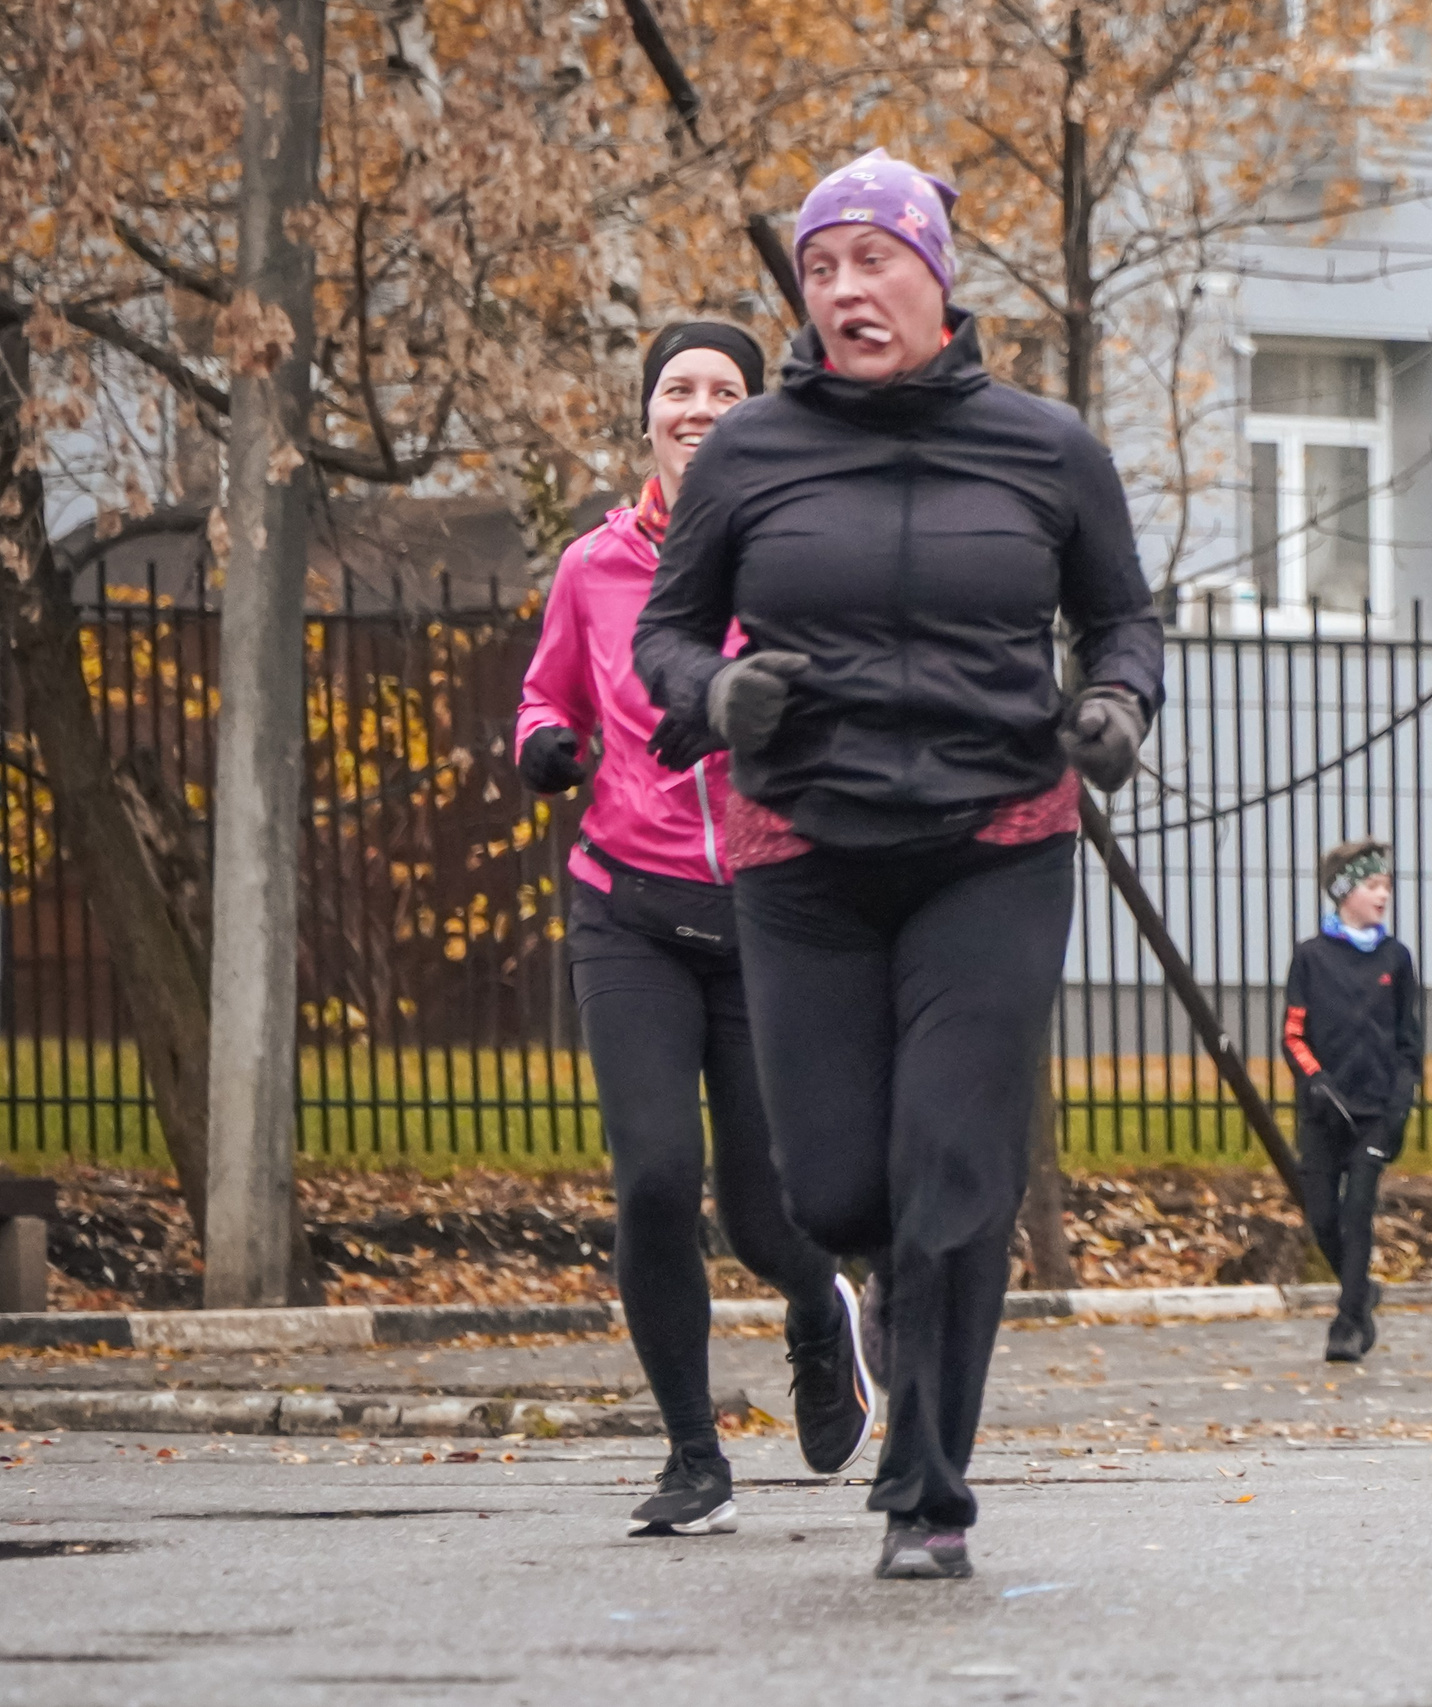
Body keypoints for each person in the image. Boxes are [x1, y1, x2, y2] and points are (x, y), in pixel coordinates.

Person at [631, 150, 1163, 1581]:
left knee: (955, 1169)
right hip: (804, 852)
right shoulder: (749, 453)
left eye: (875, 260)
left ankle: (928, 1491)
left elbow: (1122, 621)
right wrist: (714, 694)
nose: (846, 288)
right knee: (831, 1192)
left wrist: (1116, 704)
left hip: (995, 842)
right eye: (821, 267)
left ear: (938, 278)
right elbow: (664, 634)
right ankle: (878, 1283)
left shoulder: (1047, 447)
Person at [515, 320, 874, 1539]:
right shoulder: (592, 567)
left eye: (727, 389)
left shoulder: (801, 559)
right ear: (648, 414)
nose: (701, 406)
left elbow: (847, 702)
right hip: (628, 907)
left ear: (758, 416)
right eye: (679, 387)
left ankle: (820, 1312)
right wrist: (544, 746)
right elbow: (548, 693)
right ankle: (692, 1457)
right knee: (656, 1178)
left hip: (767, 911)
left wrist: (744, 715)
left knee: (770, 1214)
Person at [1282, 838, 1422, 1364]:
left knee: (1358, 1210)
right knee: (1323, 1216)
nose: (1383, 895)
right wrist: (1315, 1080)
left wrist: (1401, 1101)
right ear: (1344, 892)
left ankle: (1347, 1323)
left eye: (1387, 885)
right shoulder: (1310, 958)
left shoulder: (1396, 959)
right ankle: (1361, 1292)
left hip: (1375, 1113)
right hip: (1323, 1113)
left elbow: (1409, 1041)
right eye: (1372, 885)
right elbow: (1293, 1035)